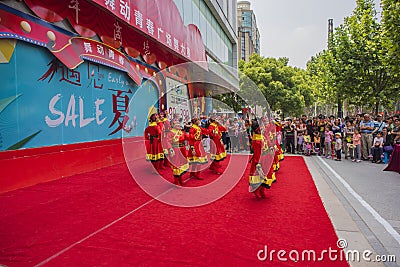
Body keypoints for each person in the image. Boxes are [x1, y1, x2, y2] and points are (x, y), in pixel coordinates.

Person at [248, 119, 274, 199]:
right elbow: (257, 154)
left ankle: (262, 190)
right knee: (260, 177)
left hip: (266, 158)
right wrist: (258, 165)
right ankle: (257, 190)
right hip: (260, 161)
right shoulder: (256, 141)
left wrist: (271, 147)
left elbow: (267, 141)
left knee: (267, 175)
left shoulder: (262, 136)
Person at [164, 120, 190, 186]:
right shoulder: (170, 133)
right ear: (172, 125)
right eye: (176, 123)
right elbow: (167, 142)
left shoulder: (181, 132)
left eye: (178, 123)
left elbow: (188, 137)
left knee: (182, 165)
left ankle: (180, 180)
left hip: (182, 150)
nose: (178, 124)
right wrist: (170, 149)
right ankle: (176, 181)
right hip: (175, 150)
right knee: (176, 165)